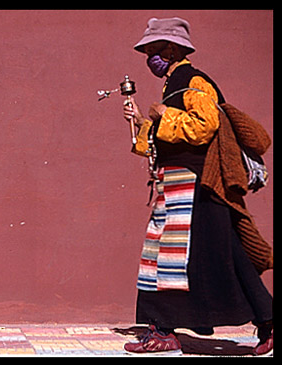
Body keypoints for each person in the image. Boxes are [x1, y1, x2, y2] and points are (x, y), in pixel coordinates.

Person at [122, 17, 273, 356]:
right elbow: (167, 137)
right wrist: (141, 124)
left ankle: (264, 319)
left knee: (205, 256)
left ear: (172, 49)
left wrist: (162, 117)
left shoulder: (193, 81)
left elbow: (205, 126)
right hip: (175, 184)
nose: (150, 58)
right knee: (176, 258)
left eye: (153, 50)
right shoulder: (174, 83)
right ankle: (162, 329)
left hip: (196, 184)